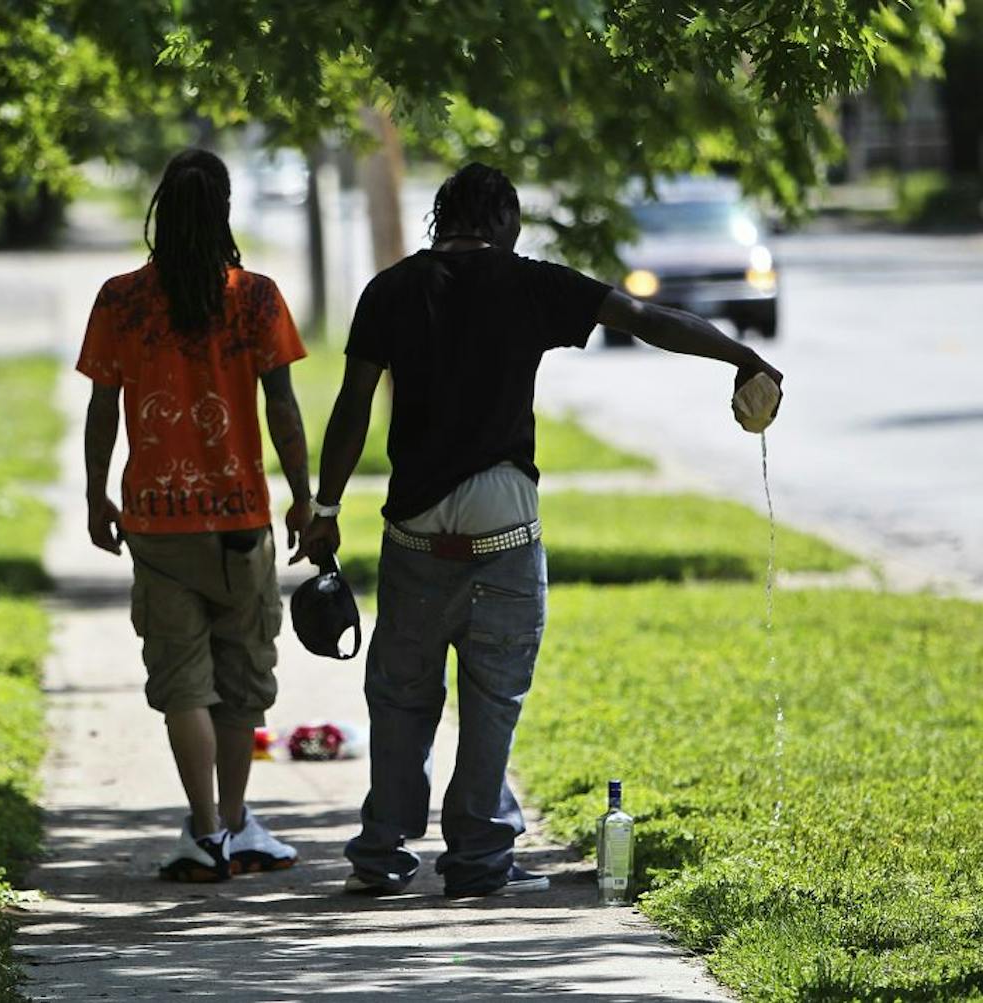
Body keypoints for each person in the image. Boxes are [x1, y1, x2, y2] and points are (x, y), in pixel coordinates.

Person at [293, 163, 783, 898]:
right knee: (493, 697)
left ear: (441, 220)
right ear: (502, 224)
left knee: (400, 697)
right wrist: (741, 355)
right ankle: (479, 860)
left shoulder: (390, 289)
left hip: (416, 534)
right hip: (503, 532)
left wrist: (324, 511)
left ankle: (382, 853)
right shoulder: (532, 283)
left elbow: (352, 404)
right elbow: (649, 320)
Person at [78, 148, 315, 882]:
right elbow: (281, 407)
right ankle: (239, 823)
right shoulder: (256, 297)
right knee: (241, 680)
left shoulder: (120, 299)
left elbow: (102, 406)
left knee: (184, 681)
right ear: (224, 211)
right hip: (240, 517)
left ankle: (205, 831)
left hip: (156, 523)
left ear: (160, 209)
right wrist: (306, 497)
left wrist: (96, 493)